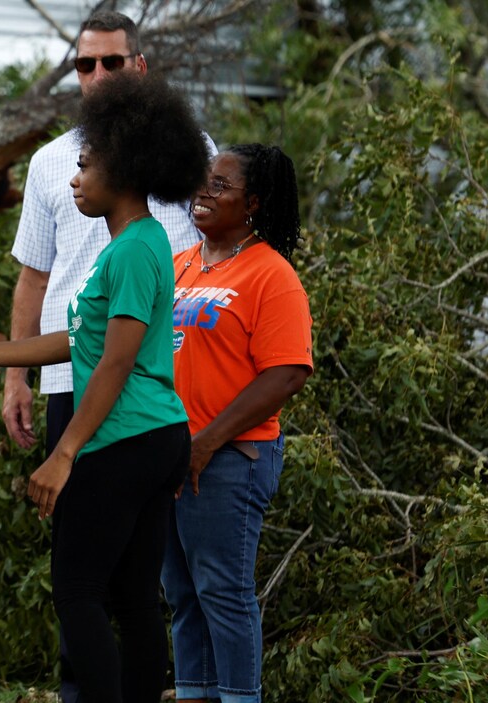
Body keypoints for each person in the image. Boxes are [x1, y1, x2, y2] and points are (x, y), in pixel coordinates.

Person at [0, 72, 211, 703]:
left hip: (126, 436)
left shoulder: (138, 249)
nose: (74, 179)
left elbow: (114, 363)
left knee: (78, 593)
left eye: (85, 166)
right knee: (135, 597)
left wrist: (64, 453)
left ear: (127, 169)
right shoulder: (126, 249)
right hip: (149, 436)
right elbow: (76, 339)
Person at [1, 12, 215, 699]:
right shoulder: (55, 168)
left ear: (138, 67)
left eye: (110, 64)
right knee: (125, 588)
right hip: (116, 398)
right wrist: (7, 369)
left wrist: (64, 453)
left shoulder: (162, 189)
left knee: (84, 586)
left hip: (133, 404)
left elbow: (123, 349)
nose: (95, 76)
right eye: (84, 65)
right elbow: (39, 282)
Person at [160, 144, 313, 703]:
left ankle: (240, 696)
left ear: (252, 202)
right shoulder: (179, 265)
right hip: (175, 455)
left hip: (229, 458)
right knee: (182, 592)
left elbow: (287, 374)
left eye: (220, 185)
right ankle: (196, 693)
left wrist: (206, 443)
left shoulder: (272, 275)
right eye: (203, 180)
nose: (204, 192)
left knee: (222, 591)